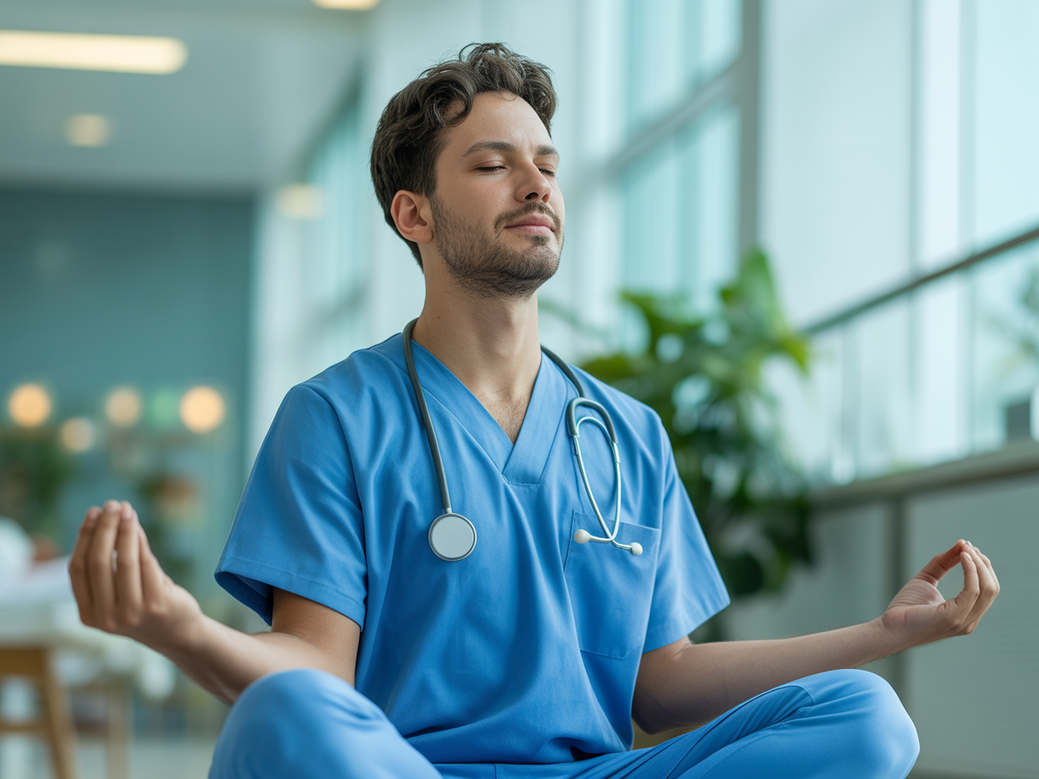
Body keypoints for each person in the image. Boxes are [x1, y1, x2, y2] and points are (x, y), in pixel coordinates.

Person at [68, 43, 999, 779]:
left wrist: (883, 636)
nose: (536, 183)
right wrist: (180, 631)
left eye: (545, 163)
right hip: (399, 768)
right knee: (282, 717)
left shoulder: (625, 434)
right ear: (413, 215)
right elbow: (319, 671)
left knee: (863, 713)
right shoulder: (335, 416)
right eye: (492, 163)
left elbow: (659, 684)